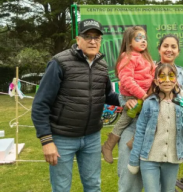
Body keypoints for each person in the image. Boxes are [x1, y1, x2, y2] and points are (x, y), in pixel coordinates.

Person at [31, 19, 120, 192]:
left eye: (97, 37)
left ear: (101, 41)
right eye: (87, 36)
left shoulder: (102, 66)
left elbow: (108, 95)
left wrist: (133, 99)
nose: (92, 41)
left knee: (93, 186)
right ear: (78, 40)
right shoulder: (59, 63)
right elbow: (41, 104)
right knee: (62, 188)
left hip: (92, 137)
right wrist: (46, 140)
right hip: (62, 137)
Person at [117, 34, 183, 192]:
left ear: (178, 51)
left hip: (167, 136)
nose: (169, 50)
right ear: (159, 49)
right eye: (165, 46)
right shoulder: (146, 67)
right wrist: (126, 102)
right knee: (130, 182)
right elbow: (124, 87)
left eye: (173, 47)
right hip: (136, 126)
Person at [127, 63, 183, 192]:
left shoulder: (182, 103)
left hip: (172, 159)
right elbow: (140, 132)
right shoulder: (149, 103)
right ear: (156, 81)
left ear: (176, 80)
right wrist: (133, 160)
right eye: (162, 76)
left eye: (171, 76)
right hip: (149, 159)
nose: (166, 80)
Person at [101, 26, 155, 164]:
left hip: (145, 96)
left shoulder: (147, 58)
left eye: (144, 38)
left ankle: (134, 141)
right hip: (131, 97)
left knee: (148, 117)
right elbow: (126, 80)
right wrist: (142, 95)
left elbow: (153, 76)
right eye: (138, 38)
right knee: (125, 119)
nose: (143, 41)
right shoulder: (128, 57)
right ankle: (108, 145)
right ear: (129, 42)